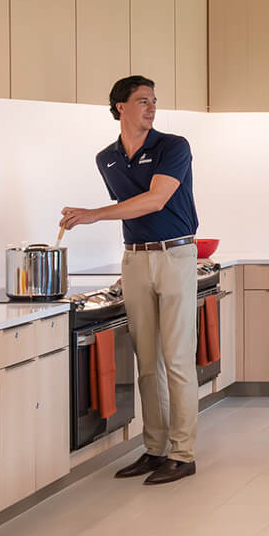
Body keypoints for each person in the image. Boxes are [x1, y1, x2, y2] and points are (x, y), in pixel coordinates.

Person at [60, 75, 202, 486]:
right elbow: (127, 206)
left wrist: (92, 214)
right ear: (120, 107)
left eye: (154, 100)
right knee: (146, 362)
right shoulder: (106, 158)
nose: (152, 107)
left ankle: (183, 453)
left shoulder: (173, 147)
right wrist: (99, 217)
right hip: (135, 260)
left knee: (177, 360)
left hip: (175, 255)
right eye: (143, 101)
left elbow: (155, 200)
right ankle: (155, 449)